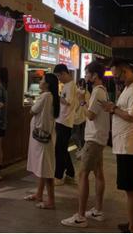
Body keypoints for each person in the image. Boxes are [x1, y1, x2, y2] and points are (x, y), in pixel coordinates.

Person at [61, 61, 109, 228]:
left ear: (94, 75)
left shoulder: (97, 91)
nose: (86, 76)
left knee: (82, 175)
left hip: (94, 138)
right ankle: (98, 210)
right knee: (98, 173)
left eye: (88, 73)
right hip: (99, 137)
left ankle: (80, 216)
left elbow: (90, 115)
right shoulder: (102, 91)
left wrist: (82, 101)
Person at [103, 60, 133, 233]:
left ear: (125, 71)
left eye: (117, 75)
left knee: (131, 188)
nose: (116, 79)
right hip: (126, 143)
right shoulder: (130, 88)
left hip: (130, 144)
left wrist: (113, 109)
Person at [25, 73, 60, 209]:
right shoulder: (51, 96)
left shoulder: (45, 96)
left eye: (42, 80)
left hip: (42, 139)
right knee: (43, 167)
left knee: (46, 169)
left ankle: (51, 201)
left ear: (47, 84)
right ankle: (39, 194)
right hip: (45, 137)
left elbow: (32, 111)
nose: (40, 82)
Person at [53, 64, 78, 185]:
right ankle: (70, 172)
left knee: (59, 150)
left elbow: (68, 102)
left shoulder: (71, 86)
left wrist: (56, 97)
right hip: (62, 120)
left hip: (65, 122)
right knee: (62, 149)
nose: (59, 79)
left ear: (64, 73)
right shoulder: (67, 85)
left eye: (59, 76)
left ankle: (58, 176)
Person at [72, 79, 89, 159]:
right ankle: (82, 151)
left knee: (74, 134)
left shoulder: (77, 92)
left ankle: (80, 149)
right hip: (85, 117)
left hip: (76, 117)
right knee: (82, 135)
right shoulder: (87, 92)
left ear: (78, 84)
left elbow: (75, 104)